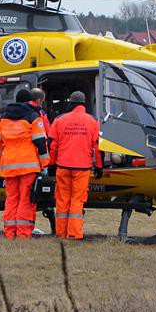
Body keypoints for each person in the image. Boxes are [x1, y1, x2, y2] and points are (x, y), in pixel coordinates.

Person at [0, 89, 50, 239]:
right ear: (28, 101)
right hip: (28, 165)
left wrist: (2, 158)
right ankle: (23, 234)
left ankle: (10, 233)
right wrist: (44, 164)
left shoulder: (2, 117)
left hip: (8, 164)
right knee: (26, 199)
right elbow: (40, 142)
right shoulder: (33, 116)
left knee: (11, 199)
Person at [48, 91, 102, 240]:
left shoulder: (59, 119)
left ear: (70, 103)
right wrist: (99, 166)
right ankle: (74, 233)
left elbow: (52, 145)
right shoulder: (93, 121)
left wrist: (51, 165)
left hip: (62, 166)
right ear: (83, 103)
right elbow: (97, 147)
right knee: (77, 200)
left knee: (62, 199)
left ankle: (61, 232)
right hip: (82, 168)